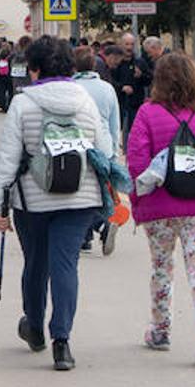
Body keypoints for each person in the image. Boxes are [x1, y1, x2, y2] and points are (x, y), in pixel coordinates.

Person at [0, 36, 110, 371]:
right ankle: (62, 342)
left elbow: (8, 159)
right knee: (65, 265)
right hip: (80, 197)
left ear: (34, 68)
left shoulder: (23, 103)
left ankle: (33, 326)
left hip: (32, 199)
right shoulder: (86, 101)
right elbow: (102, 149)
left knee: (36, 264)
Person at [127, 51, 195, 366]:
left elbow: (137, 163)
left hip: (160, 207)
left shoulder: (147, 113)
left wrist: (146, 191)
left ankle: (160, 331)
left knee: (162, 268)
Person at [73, 45, 122, 255]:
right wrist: (114, 150)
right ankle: (101, 224)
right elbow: (114, 121)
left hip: (77, 144)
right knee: (99, 191)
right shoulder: (107, 88)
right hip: (102, 144)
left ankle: (89, 234)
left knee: (78, 192)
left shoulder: (71, 87)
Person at [0, 41, 14, 112]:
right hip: (10, 76)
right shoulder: (12, 56)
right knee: (10, 91)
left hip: (1, 76)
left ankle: (3, 107)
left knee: (1, 91)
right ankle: (10, 105)